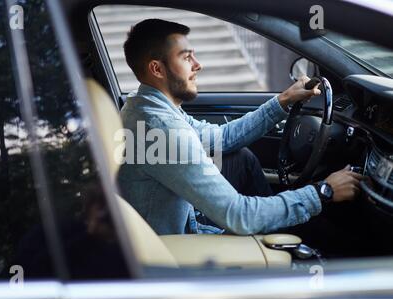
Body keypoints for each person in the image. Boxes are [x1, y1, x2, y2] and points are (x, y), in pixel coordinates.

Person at [118, 19, 362, 236]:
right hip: (175, 250)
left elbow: (221, 138)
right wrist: (323, 192)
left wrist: (284, 100)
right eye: (186, 57)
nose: (198, 64)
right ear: (157, 69)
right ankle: (294, 247)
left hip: (176, 227)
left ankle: (287, 234)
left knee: (241, 159)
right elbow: (238, 216)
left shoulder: (144, 104)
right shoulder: (161, 129)